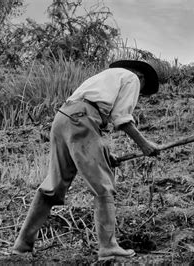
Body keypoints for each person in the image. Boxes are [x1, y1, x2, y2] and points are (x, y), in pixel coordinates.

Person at [12, 60, 160, 260]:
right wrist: (144, 144)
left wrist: (106, 155)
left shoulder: (106, 78)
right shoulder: (132, 78)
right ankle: (108, 246)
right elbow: (121, 118)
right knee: (103, 186)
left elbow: (91, 131)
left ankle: (22, 246)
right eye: (142, 92)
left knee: (52, 187)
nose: (138, 95)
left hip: (64, 118)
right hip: (82, 120)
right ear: (141, 78)